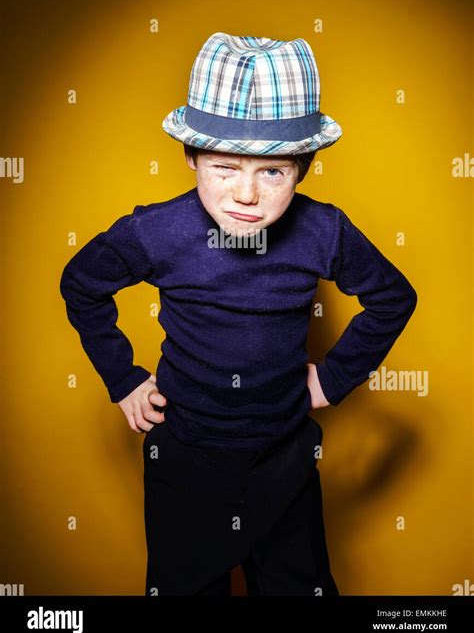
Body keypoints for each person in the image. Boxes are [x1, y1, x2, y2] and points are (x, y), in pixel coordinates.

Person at [59, 32, 417, 596]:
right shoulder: (156, 232)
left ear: (303, 168)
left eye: (271, 172)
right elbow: (81, 284)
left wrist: (335, 376)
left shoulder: (323, 230)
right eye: (225, 167)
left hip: (285, 460)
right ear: (191, 156)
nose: (245, 194)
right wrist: (122, 378)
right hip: (185, 462)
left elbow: (394, 297)